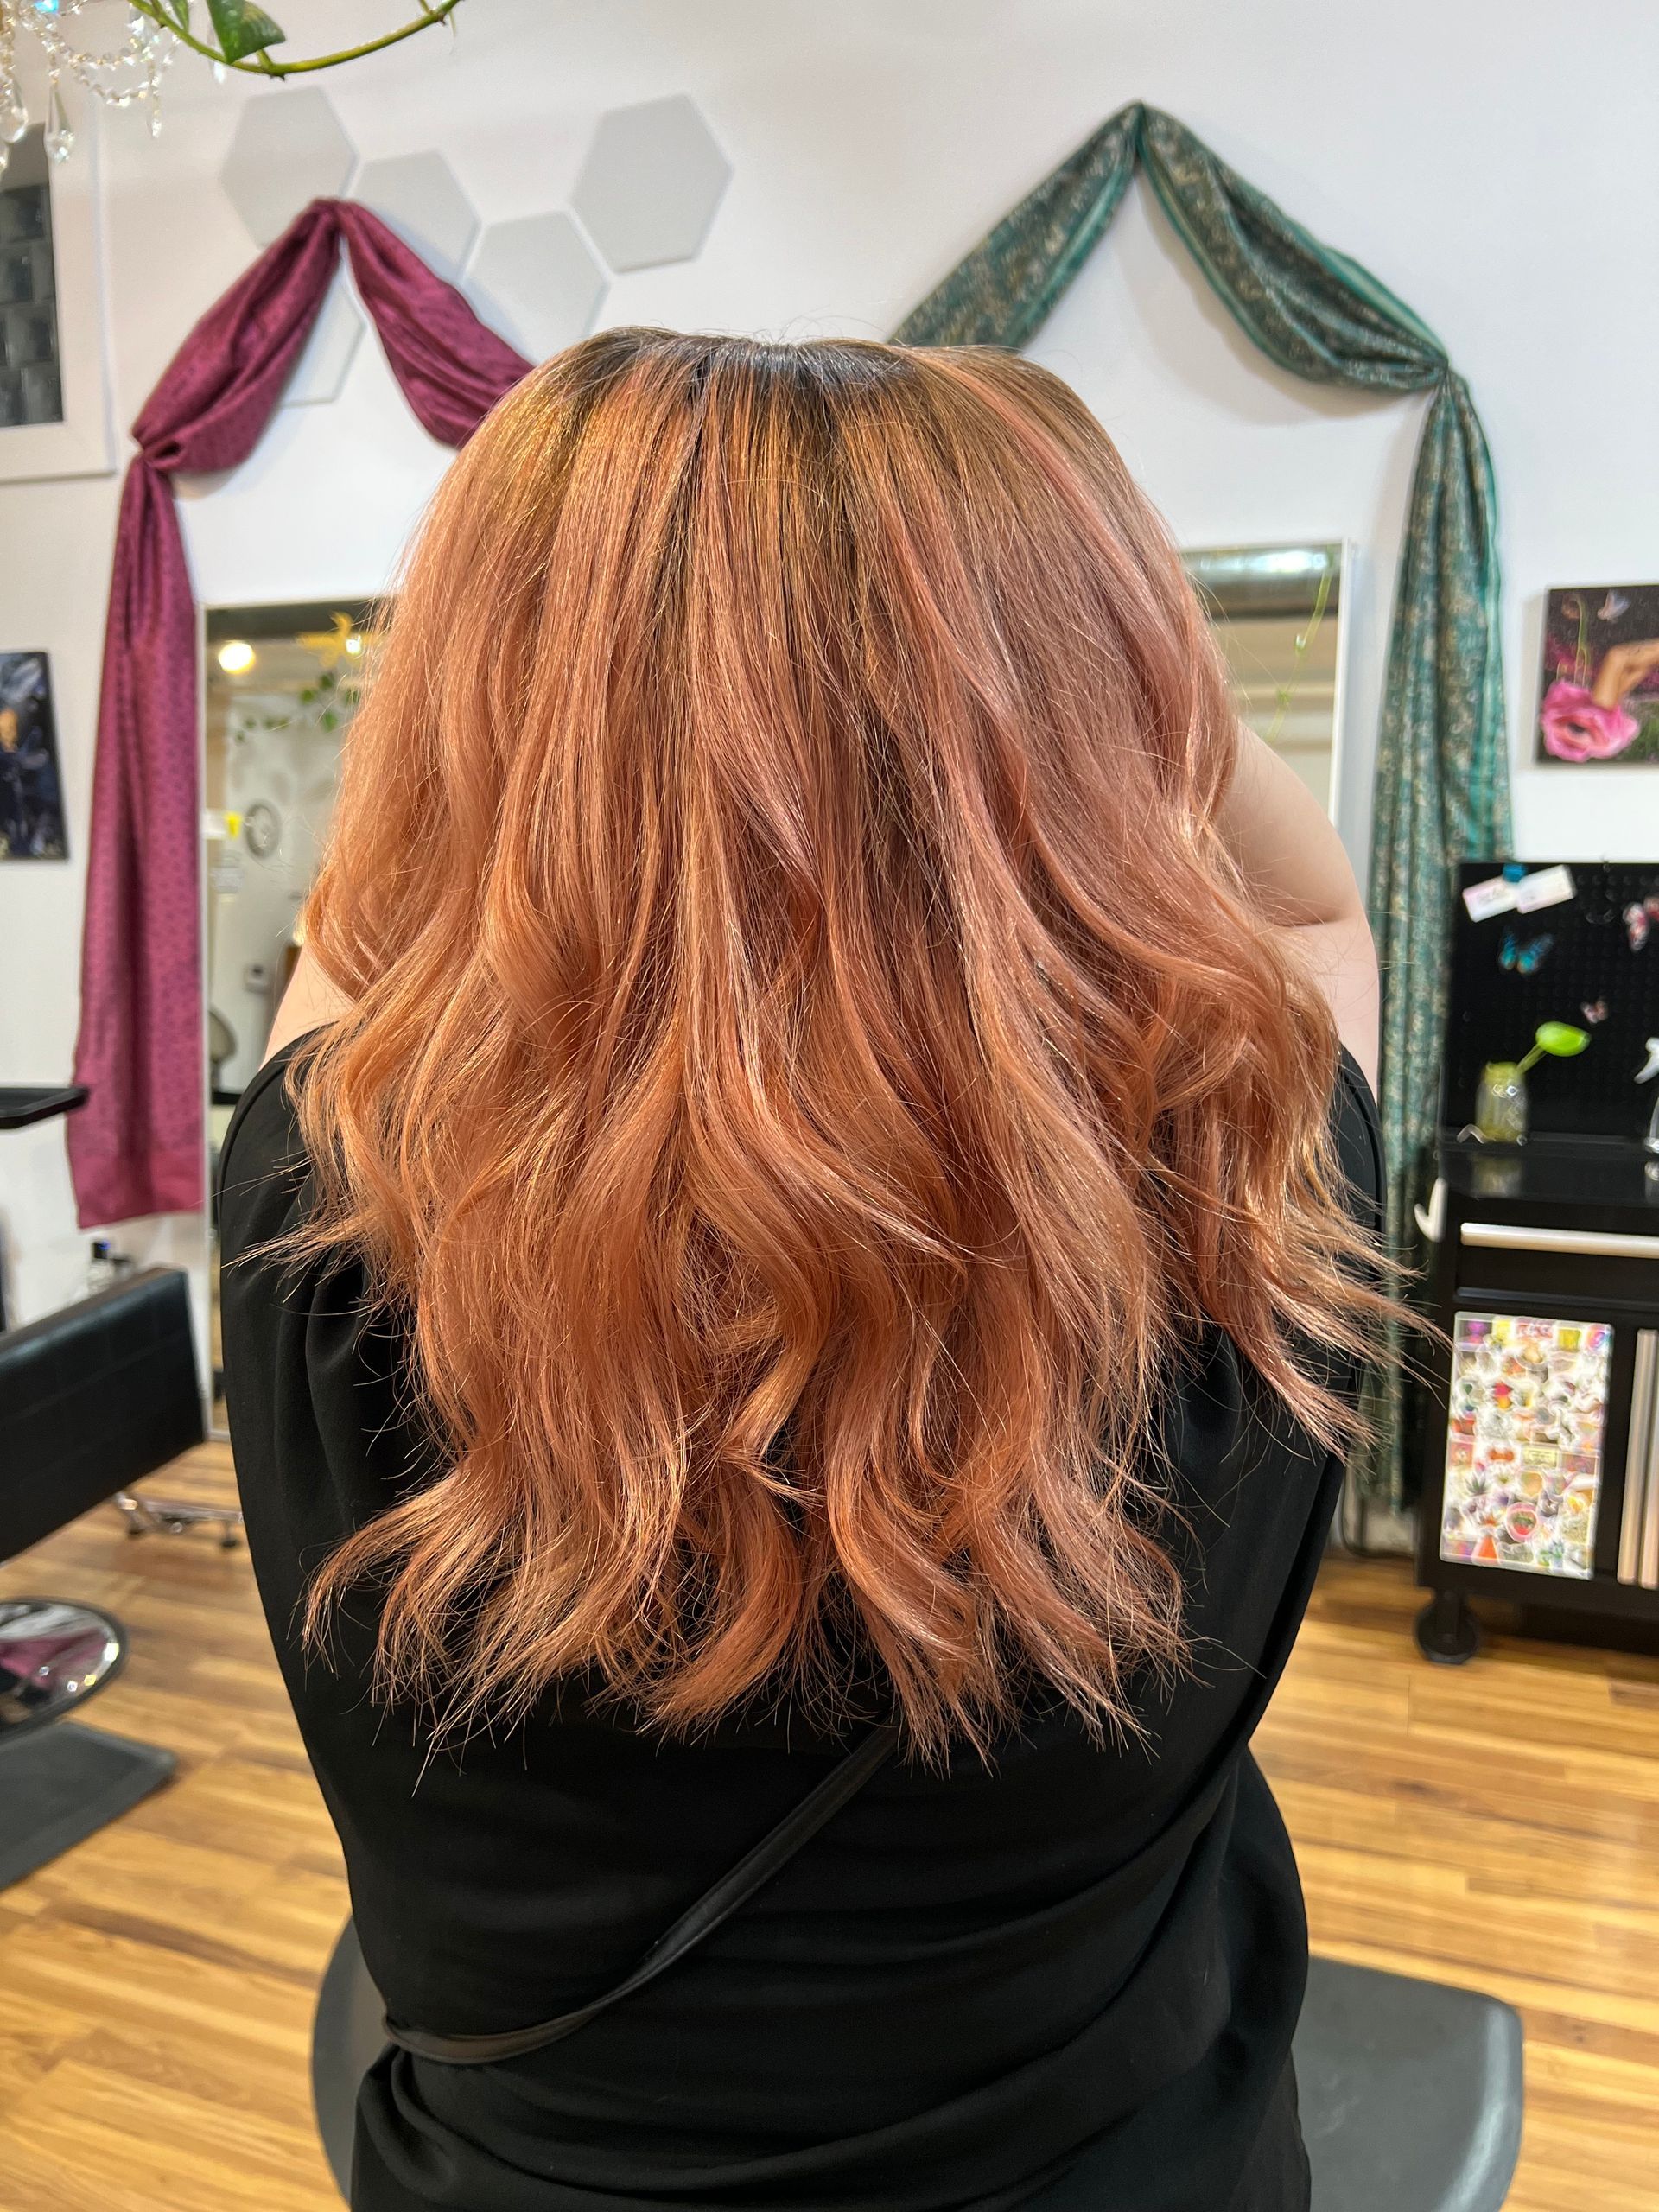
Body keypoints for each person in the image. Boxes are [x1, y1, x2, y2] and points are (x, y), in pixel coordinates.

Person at [219, 331, 1388, 2212]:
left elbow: (377, 901)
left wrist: (540, 660)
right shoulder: (1241, 1200)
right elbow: (1315, 906)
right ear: (1121, 710)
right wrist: (1092, 638)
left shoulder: (322, 1213)